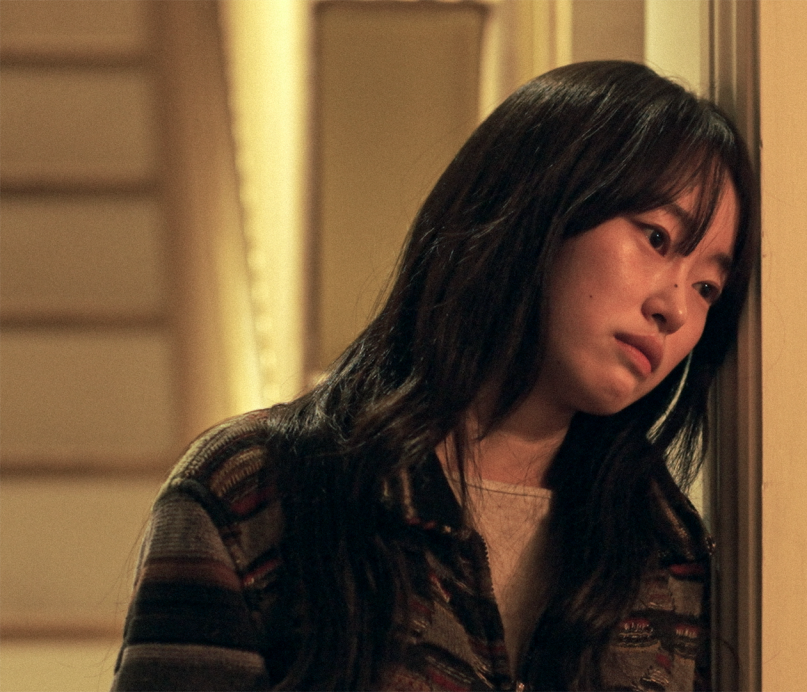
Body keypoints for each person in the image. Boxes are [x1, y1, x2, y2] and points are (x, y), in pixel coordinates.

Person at [111, 60, 757, 692]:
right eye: (657, 239)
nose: (676, 308)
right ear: (539, 205)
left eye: (707, 287)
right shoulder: (257, 494)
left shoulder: (664, 552)